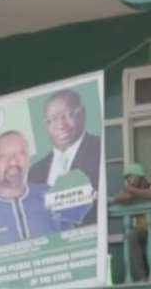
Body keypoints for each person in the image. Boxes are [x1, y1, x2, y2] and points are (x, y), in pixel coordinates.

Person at [28, 89, 101, 225]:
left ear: (82, 114)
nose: (61, 125)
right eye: (54, 119)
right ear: (46, 125)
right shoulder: (34, 172)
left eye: (68, 115)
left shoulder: (100, 150)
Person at [0, 131, 56, 246]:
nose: (13, 162)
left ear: (29, 161)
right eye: (3, 156)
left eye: (20, 153)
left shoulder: (51, 195)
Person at [111, 163, 151, 281]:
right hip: (143, 229)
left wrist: (134, 191)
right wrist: (136, 193)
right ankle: (143, 275)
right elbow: (118, 198)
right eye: (126, 178)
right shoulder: (131, 191)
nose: (128, 181)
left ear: (139, 175)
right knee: (131, 235)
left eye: (130, 176)